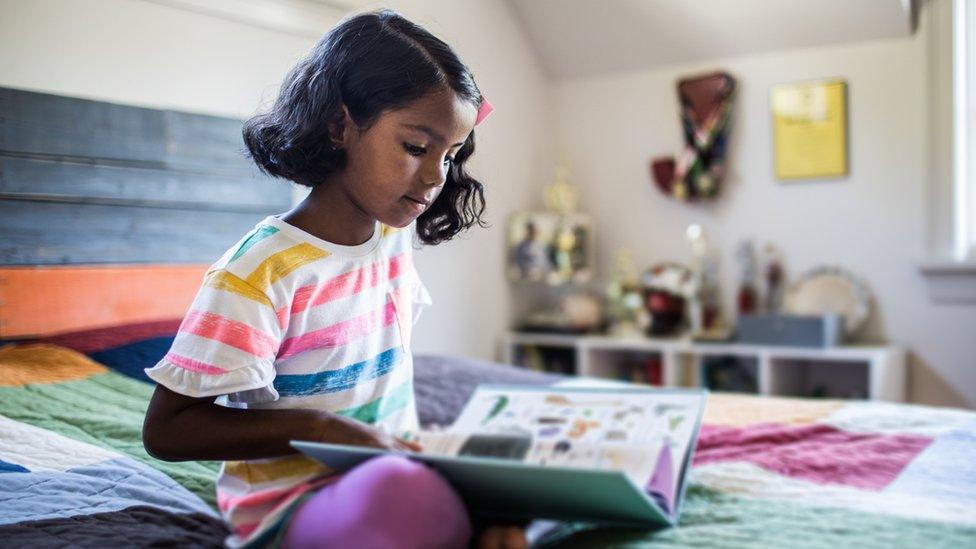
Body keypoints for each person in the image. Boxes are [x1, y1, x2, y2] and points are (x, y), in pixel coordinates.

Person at [141, 10, 526, 549]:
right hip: (295, 502)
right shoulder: (260, 271)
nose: (438, 176)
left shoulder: (390, 238)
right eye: (417, 148)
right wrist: (322, 430)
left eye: (451, 153)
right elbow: (167, 430)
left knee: (513, 498)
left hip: (388, 465)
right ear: (340, 125)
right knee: (412, 497)